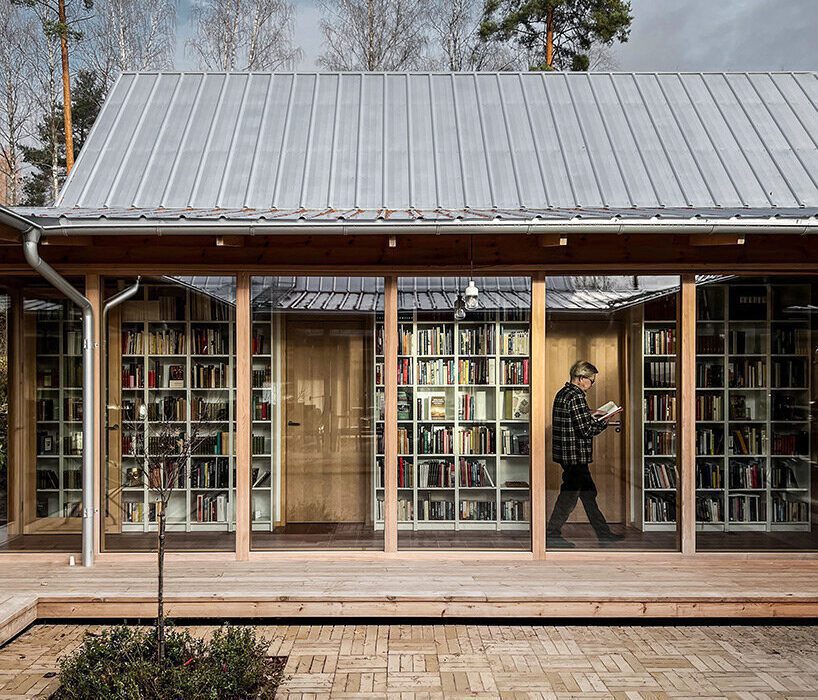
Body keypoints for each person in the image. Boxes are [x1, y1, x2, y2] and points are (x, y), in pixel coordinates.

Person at [546, 360, 625, 548]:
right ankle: (551, 534)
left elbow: (574, 418)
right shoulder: (577, 396)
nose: (591, 384)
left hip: (567, 455)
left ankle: (604, 534)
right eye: (591, 380)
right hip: (575, 455)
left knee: (588, 494)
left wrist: (592, 413)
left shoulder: (563, 393)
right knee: (569, 495)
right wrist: (605, 420)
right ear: (581, 378)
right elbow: (585, 429)